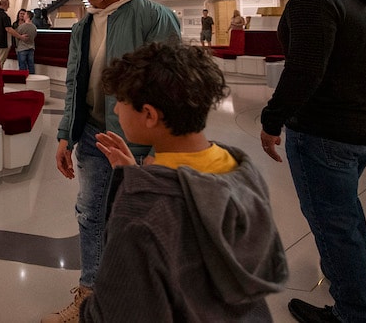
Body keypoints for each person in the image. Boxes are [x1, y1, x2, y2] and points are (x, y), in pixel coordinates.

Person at [78, 41, 288, 321]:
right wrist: (137, 174)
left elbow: (115, 312)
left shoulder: (141, 211)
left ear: (150, 115)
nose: (116, 112)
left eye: (121, 102)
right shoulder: (241, 171)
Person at [260, 0, 366, 323]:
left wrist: (272, 120)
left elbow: (303, 71)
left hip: (326, 134)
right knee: (345, 223)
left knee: (335, 230)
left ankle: (354, 316)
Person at [44, 0, 180, 323]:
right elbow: (74, 84)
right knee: (90, 214)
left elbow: (171, 86)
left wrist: (160, 147)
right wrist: (64, 136)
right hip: (92, 135)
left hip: (137, 140)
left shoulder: (154, 16)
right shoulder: (83, 26)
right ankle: (91, 299)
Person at [0, 0, 26, 68]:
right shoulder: (5, 16)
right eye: (8, 5)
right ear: (6, 5)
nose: (9, 7)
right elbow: (8, 29)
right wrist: (20, 37)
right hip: (2, 42)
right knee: (0, 61)